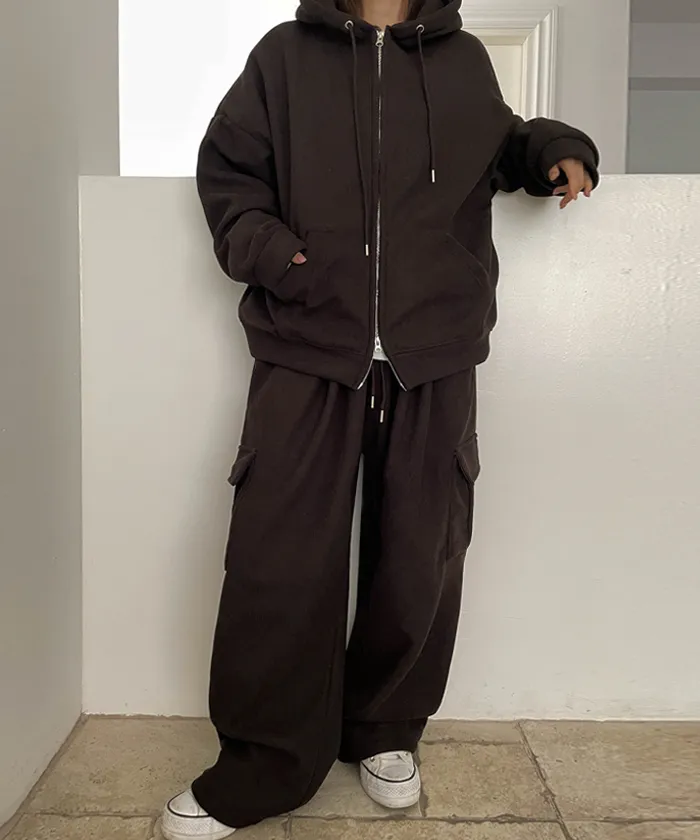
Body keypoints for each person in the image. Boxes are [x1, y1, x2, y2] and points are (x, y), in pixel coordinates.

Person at [161, 0, 599, 837]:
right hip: (307, 344)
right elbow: (230, 177)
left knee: (420, 554)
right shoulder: (285, 56)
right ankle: (265, 762)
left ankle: (386, 729)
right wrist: (283, 258)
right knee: (278, 560)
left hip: (433, 350)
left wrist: (555, 147)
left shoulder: (461, 58)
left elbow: (502, 145)